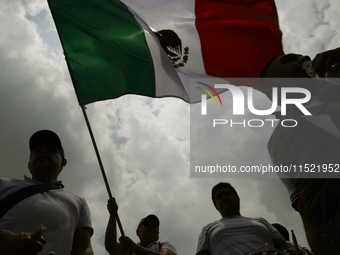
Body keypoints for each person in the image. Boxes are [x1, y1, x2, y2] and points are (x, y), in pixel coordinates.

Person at [261, 47, 340, 255]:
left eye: (301, 56)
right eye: (289, 60)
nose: (304, 58)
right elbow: (311, 219)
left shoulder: (334, 87)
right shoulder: (278, 146)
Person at [0, 130, 93, 255]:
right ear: (29, 164)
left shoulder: (79, 202)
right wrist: (5, 238)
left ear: (63, 162)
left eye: (51, 149)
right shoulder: (3, 184)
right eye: (37, 150)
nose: (43, 151)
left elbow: (84, 248)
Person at [196, 182, 290, 255]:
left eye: (227, 194)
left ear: (238, 198)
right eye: (219, 197)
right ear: (216, 206)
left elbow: (283, 246)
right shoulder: (208, 229)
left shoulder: (261, 221)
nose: (224, 197)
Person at [105, 197, 178, 255]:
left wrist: (134, 248)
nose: (151, 226)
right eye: (147, 224)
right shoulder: (128, 250)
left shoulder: (165, 245)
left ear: (158, 233)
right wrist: (113, 215)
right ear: (137, 232)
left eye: (155, 225)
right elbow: (111, 246)